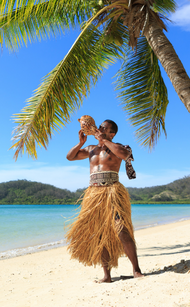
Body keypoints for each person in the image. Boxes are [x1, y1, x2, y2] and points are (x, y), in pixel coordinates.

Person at [66, 119, 143, 283]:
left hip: (113, 191)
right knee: (100, 235)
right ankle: (107, 276)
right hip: (94, 194)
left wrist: (104, 140)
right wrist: (80, 143)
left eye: (104, 128)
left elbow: (125, 155)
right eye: (100, 126)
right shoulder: (90, 149)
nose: (99, 128)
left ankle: (136, 270)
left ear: (112, 133)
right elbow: (70, 157)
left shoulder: (119, 147)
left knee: (122, 230)